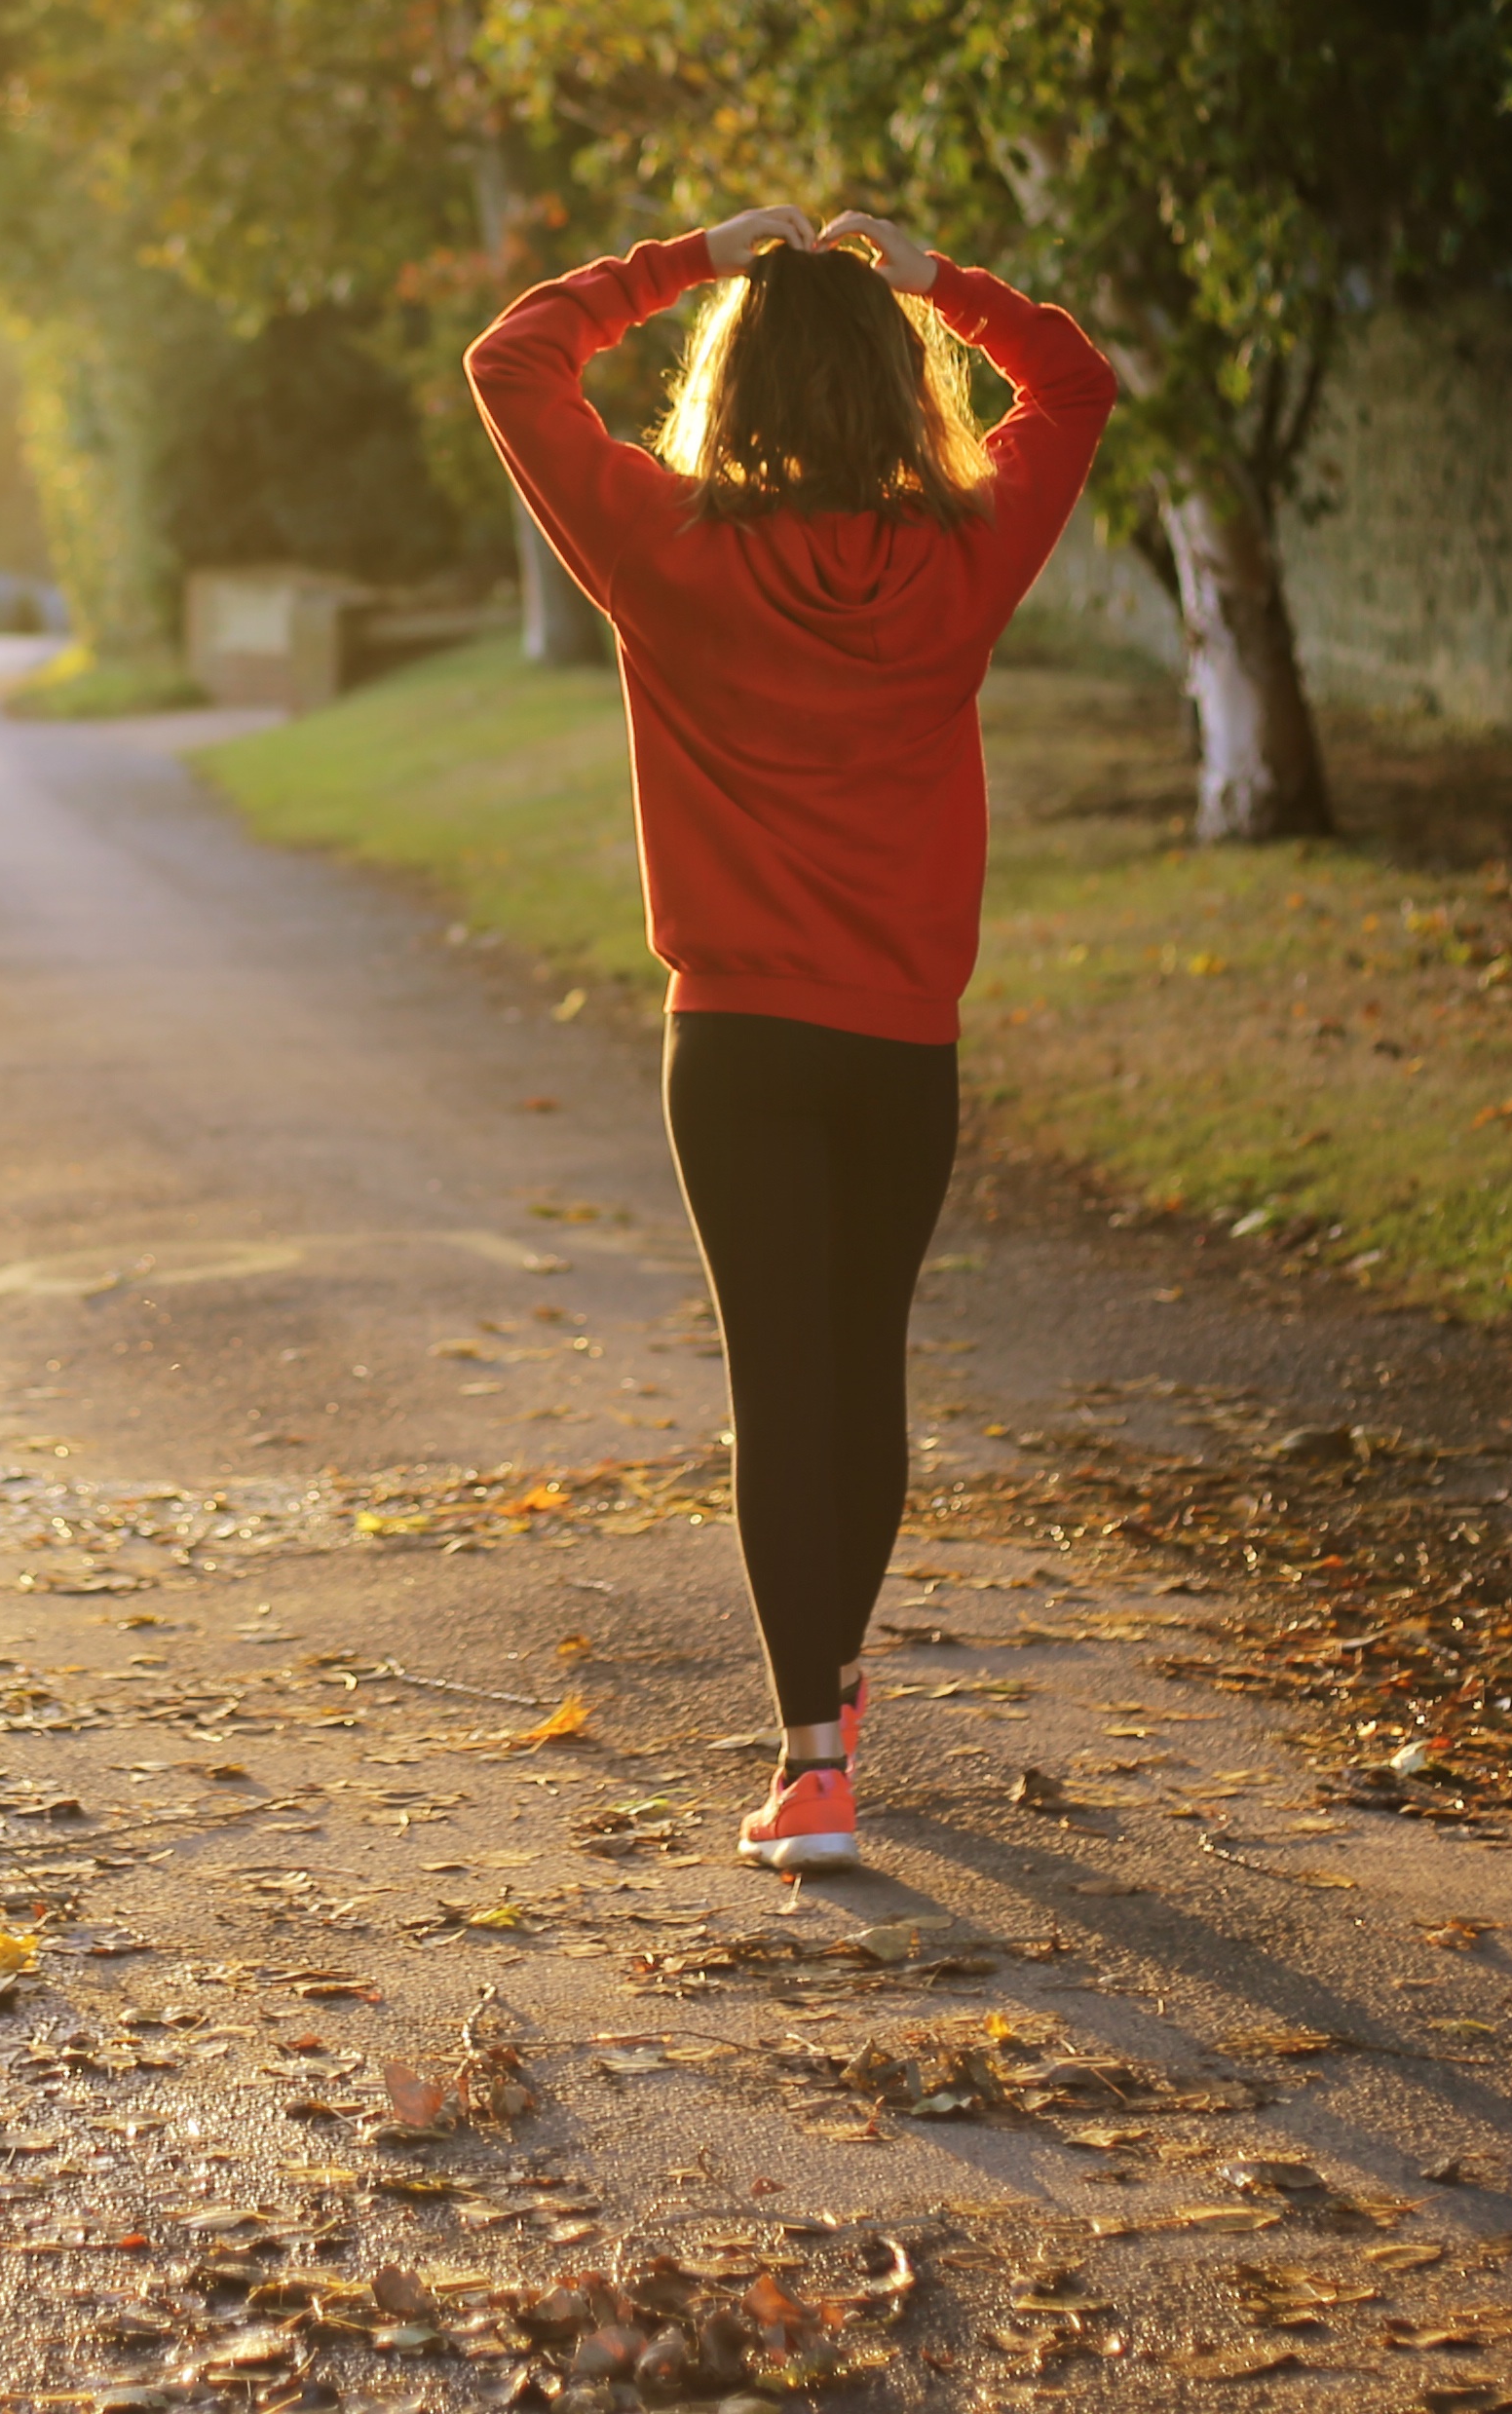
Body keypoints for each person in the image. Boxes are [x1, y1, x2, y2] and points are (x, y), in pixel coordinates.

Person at [466, 201, 1118, 1871]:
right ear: (902, 393)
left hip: (738, 1041)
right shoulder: (967, 554)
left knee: (781, 1377)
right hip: (901, 1041)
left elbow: (513, 360)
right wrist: (938, 283)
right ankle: (827, 1691)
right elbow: (1077, 380)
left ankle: (814, 1758)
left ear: (733, 388)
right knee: (864, 1364)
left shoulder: (664, 548)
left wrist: (688, 258)